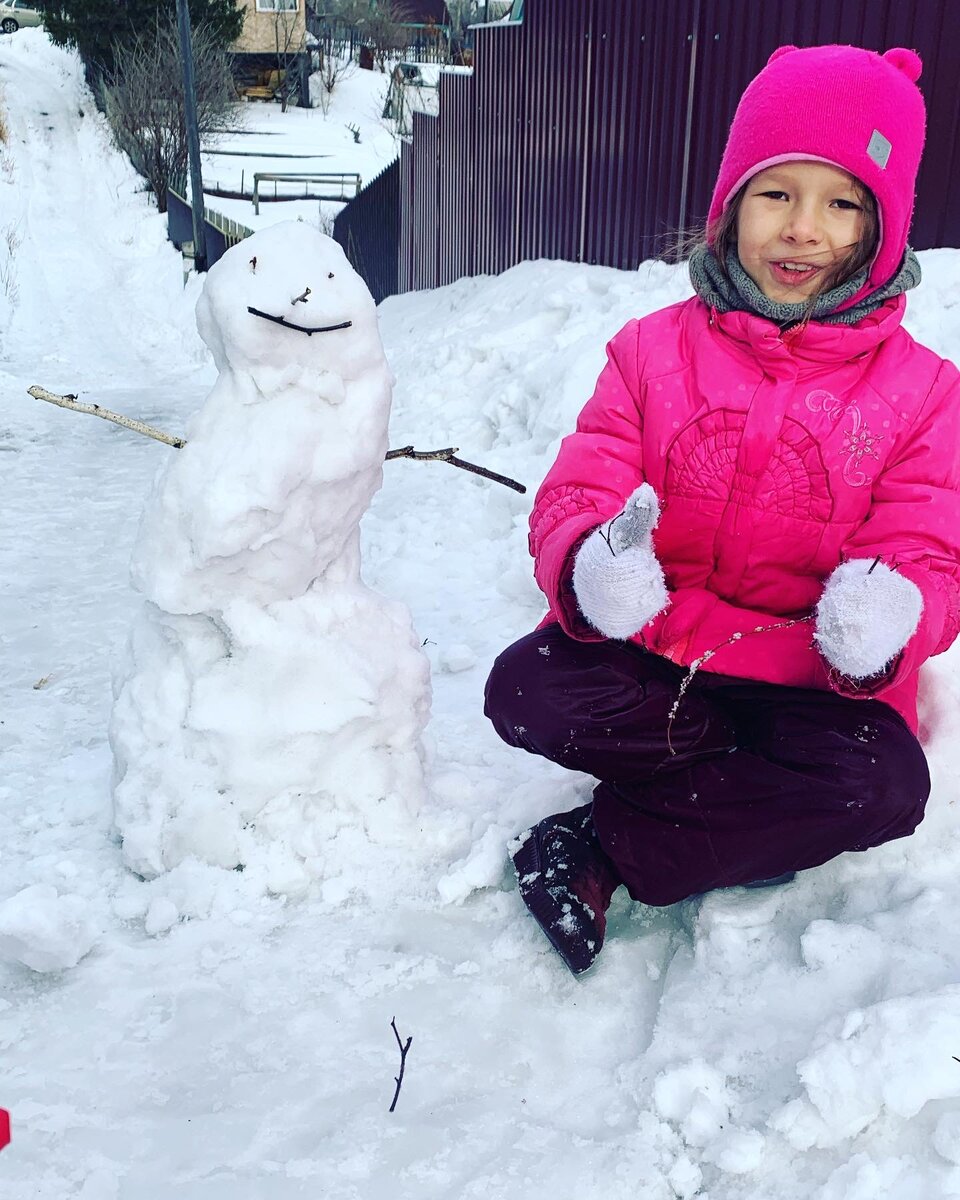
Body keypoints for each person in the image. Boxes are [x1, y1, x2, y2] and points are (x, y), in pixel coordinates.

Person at [484, 44, 960, 975]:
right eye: (777, 192)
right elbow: (586, 485)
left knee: (884, 789)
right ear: (731, 204)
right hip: (664, 654)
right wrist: (594, 565)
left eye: (843, 202)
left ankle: (607, 845)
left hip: (813, 687)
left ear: (884, 225)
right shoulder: (649, 353)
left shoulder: (926, 393)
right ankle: (733, 783)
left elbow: (928, 547)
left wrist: (886, 616)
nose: (804, 230)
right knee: (526, 689)